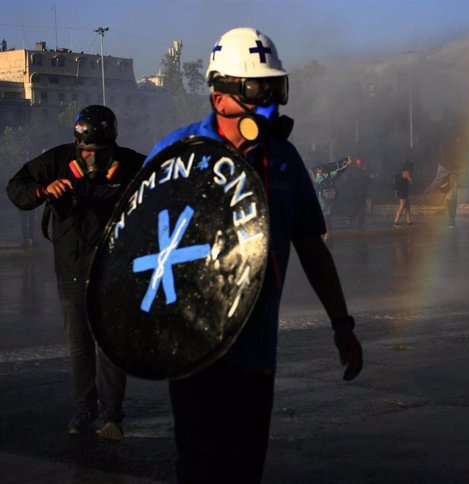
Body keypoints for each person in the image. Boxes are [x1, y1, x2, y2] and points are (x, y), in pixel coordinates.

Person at [145, 27, 363, 483]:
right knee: (200, 467)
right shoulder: (174, 154)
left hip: (256, 350)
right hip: (192, 349)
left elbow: (311, 247)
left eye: (274, 89)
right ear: (219, 94)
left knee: (245, 469)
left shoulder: (283, 160)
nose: (269, 104)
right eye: (256, 90)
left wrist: (343, 325)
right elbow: (134, 245)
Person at [5, 105, 146, 440]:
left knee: (110, 346)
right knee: (79, 345)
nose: (92, 158)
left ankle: (113, 415)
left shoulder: (131, 164)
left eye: (100, 152)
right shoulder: (56, 160)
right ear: (77, 144)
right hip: (70, 269)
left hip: (114, 270)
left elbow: (166, 183)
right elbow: (16, 187)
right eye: (86, 152)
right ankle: (85, 409)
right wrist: (43, 190)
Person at [313, 156, 351, 236]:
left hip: (323, 197)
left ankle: (325, 231)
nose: (318, 170)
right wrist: (346, 164)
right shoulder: (330, 175)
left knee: (324, 214)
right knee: (328, 215)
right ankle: (327, 232)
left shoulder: (318, 176)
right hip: (331, 197)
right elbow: (339, 171)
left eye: (318, 169)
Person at [346, 158, 371, 228]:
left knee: (356, 206)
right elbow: (368, 180)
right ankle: (360, 222)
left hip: (355, 191)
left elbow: (348, 179)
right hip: (361, 191)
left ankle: (351, 219)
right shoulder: (364, 171)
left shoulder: (353, 170)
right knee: (361, 207)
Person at [393, 161, 414, 227]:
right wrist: (410, 178)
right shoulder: (407, 172)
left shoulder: (401, 171)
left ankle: (409, 222)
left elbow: (398, 182)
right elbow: (411, 181)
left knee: (408, 206)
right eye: (412, 166)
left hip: (401, 191)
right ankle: (395, 222)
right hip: (403, 191)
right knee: (401, 207)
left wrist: (396, 192)